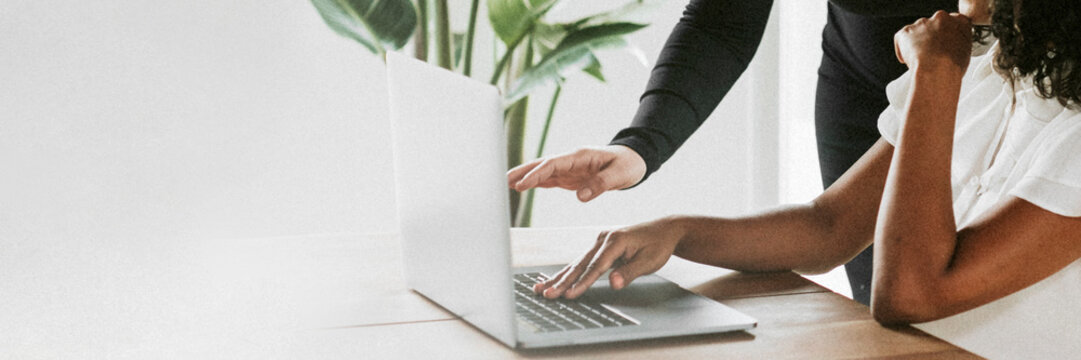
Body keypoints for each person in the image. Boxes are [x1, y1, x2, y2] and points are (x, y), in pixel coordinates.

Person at [528, 0, 1081, 337]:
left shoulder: (963, 79)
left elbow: (909, 296)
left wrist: (936, 70)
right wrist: (677, 232)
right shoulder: (982, 79)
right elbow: (828, 228)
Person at [508, 0, 958, 305]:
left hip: (972, 63)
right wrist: (640, 146)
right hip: (860, 76)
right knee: (882, 304)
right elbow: (723, 19)